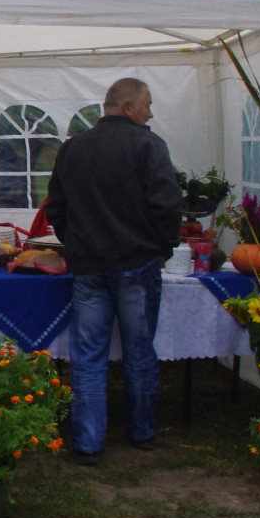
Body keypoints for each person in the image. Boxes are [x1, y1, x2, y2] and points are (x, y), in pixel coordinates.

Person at [45, 77, 183, 465]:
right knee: (139, 351)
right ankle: (140, 432)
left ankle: (88, 443)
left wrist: (75, 242)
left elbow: (55, 207)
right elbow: (169, 204)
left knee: (88, 356)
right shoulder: (148, 145)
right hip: (136, 264)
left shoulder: (73, 149)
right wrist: (164, 247)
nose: (150, 113)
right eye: (148, 105)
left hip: (89, 266)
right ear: (127, 106)